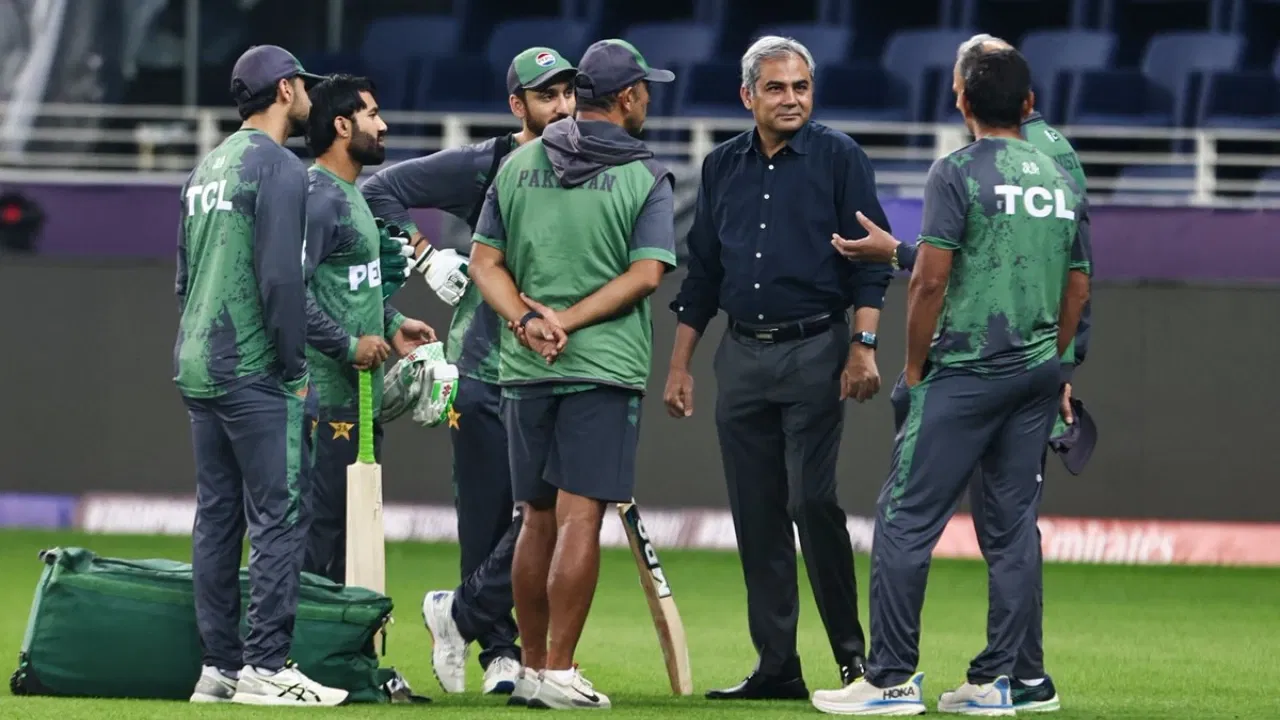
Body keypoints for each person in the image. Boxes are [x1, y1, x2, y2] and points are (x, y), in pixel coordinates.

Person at [810, 47, 1092, 716]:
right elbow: (1078, 283)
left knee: (906, 518)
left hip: (965, 370)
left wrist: (913, 372)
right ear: (1027, 106)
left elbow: (931, 278)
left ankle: (890, 680)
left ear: (961, 100)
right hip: (1034, 371)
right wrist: (1052, 361)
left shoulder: (957, 171)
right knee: (1013, 528)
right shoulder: (1060, 172)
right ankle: (1005, 680)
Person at [663, 35, 891, 700]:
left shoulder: (840, 157)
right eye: (776, 88)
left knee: (811, 501)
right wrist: (681, 365)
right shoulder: (722, 167)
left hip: (816, 350)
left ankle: (854, 661)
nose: (791, 99)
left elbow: (872, 260)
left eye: (800, 87)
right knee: (757, 515)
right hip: (741, 356)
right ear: (747, 96)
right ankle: (777, 669)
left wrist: (863, 345)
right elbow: (701, 272)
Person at [360, 46, 578, 700]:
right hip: (482, 365)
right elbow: (380, 189)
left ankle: (468, 619)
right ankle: (502, 654)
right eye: (547, 97)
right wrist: (426, 257)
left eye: (569, 94)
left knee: (549, 511)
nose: (562, 108)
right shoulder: (485, 163)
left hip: (553, 362)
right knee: (486, 514)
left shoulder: (592, 164)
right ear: (519, 106)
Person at [467, 38, 677, 710]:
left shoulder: (517, 165)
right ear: (625, 98)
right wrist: (573, 321)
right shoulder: (647, 175)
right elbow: (647, 274)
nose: (649, 98)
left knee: (535, 518)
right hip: (602, 369)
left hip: (525, 367)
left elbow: (484, 265)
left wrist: (531, 324)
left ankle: (530, 668)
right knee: (579, 518)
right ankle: (559, 670)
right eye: (644, 88)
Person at [176, 45, 348, 706]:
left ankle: (218, 667)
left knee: (217, 518)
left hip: (197, 361)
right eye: (302, 83)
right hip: (251, 367)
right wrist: (294, 364)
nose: (307, 95)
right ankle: (267, 667)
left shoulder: (204, 167)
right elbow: (280, 277)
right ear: (284, 89)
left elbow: (184, 278)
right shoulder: (279, 167)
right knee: (279, 518)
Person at [298, 73, 436, 585]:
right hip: (324, 399)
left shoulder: (350, 194)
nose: (383, 124)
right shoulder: (318, 197)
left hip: (357, 398)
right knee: (319, 539)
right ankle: (288, 656)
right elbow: (290, 291)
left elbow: (352, 289)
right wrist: (347, 345)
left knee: (344, 540)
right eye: (372, 115)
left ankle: (327, 660)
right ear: (340, 125)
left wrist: (393, 323)